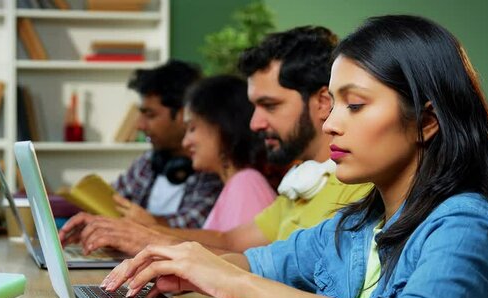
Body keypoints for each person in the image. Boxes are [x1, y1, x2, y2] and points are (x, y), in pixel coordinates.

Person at [102, 15, 488, 298]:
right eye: (332, 104)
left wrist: (235, 283)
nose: (331, 123)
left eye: (354, 105)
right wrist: (191, 269)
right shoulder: (353, 227)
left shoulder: (466, 225)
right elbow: (264, 263)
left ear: (426, 121)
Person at [60, 26, 371, 255]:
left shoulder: (356, 187)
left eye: (270, 105)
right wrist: (131, 232)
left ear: (320, 101)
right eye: (254, 107)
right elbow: (229, 241)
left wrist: (149, 239)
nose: (255, 123)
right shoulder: (302, 181)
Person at [112, 75, 275, 231]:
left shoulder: (245, 183)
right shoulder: (237, 184)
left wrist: (152, 227)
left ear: (221, 127)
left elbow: (238, 255)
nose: (185, 142)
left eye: (192, 128)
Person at [112, 60, 223, 229]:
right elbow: (111, 198)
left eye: (150, 115)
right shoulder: (149, 161)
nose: (139, 126)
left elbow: (191, 231)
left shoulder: (212, 169)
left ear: (183, 114)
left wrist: (141, 222)